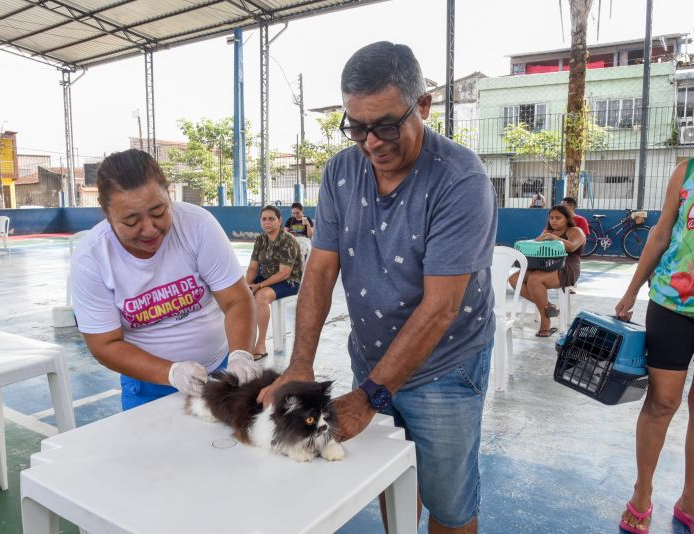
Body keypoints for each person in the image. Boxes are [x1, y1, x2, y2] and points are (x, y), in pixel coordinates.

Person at [258, 41, 497, 534]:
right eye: (357, 126)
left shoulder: (460, 180)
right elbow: (321, 272)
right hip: (371, 356)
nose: (371, 142)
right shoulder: (340, 172)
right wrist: (301, 363)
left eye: (386, 125)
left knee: (449, 506)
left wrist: (368, 398)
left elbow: (440, 308)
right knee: (394, 483)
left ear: (423, 106)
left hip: (446, 369)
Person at [614, 81, 694, 534]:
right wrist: (630, 291)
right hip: (672, 306)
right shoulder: (690, 170)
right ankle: (642, 495)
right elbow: (660, 235)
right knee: (661, 402)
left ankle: (691, 501)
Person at [71, 149, 261, 410]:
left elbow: (237, 300)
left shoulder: (198, 225)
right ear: (106, 212)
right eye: (131, 221)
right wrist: (171, 372)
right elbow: (105, 344)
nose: (149, 229)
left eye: (159, 211)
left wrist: (239, 355)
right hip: (147, 387)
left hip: (222, 373)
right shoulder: (92, 258)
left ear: (169, 195)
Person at [510, 204, 585, 337]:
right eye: (551, 218)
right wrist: (537, 242)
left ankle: (545, 324)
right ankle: (548, 306)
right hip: (544, 265)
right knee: (514, 279)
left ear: (566, 219)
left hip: (566, 267)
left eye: (558, 218)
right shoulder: (547, 232)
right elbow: (537, 249)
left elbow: (572, 247)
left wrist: (554, 238)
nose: (554, 221)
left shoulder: (575, 231)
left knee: (535, 279)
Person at [245, 204, 303, 360]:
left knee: (261, 296)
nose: (267, 222)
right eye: (264, 219)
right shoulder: (260, 240)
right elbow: (252, 268)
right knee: (238, 293)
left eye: (271, 219)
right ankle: (244, 342)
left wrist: (258, 286)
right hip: (266, 277)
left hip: (289, 281)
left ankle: (261, 344)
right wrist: (246, 285)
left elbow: (284, 273)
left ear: (279, 221)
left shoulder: (286, 240)